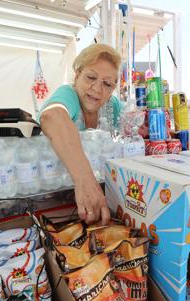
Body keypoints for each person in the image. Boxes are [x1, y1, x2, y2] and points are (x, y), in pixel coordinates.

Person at [40, 44, 122, 225]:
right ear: (77, 75)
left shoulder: (112, 106)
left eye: (107, 84)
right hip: (57, 195)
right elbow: (52, 116)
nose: (97, 89)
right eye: (91, 77)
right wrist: (86, 182)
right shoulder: (69, 94)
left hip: (100, 195)